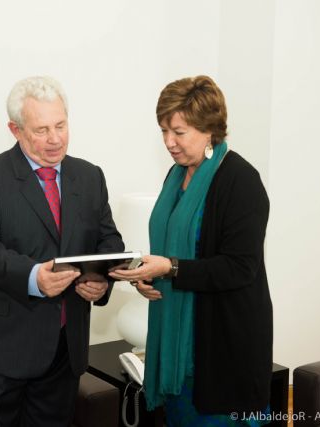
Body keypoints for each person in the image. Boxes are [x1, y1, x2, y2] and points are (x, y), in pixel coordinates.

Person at [0, 76, 124, 426]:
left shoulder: (90, 176)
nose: (55, 138)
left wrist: (101, 281)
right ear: (15, 130)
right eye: (42, 129)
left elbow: (109, 242)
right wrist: (34, 278)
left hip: (64, 350)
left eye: (60, 125)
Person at [110, 75, 272, 426]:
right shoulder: (176, 175)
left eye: (179, 132)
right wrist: (146, 277)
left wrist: (170, 269)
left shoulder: (241, 181)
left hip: (220, 347)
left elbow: (239, 268)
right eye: (163, 131)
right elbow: (170, 250)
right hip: (176, 342)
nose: (169, 142)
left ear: (209, 128)